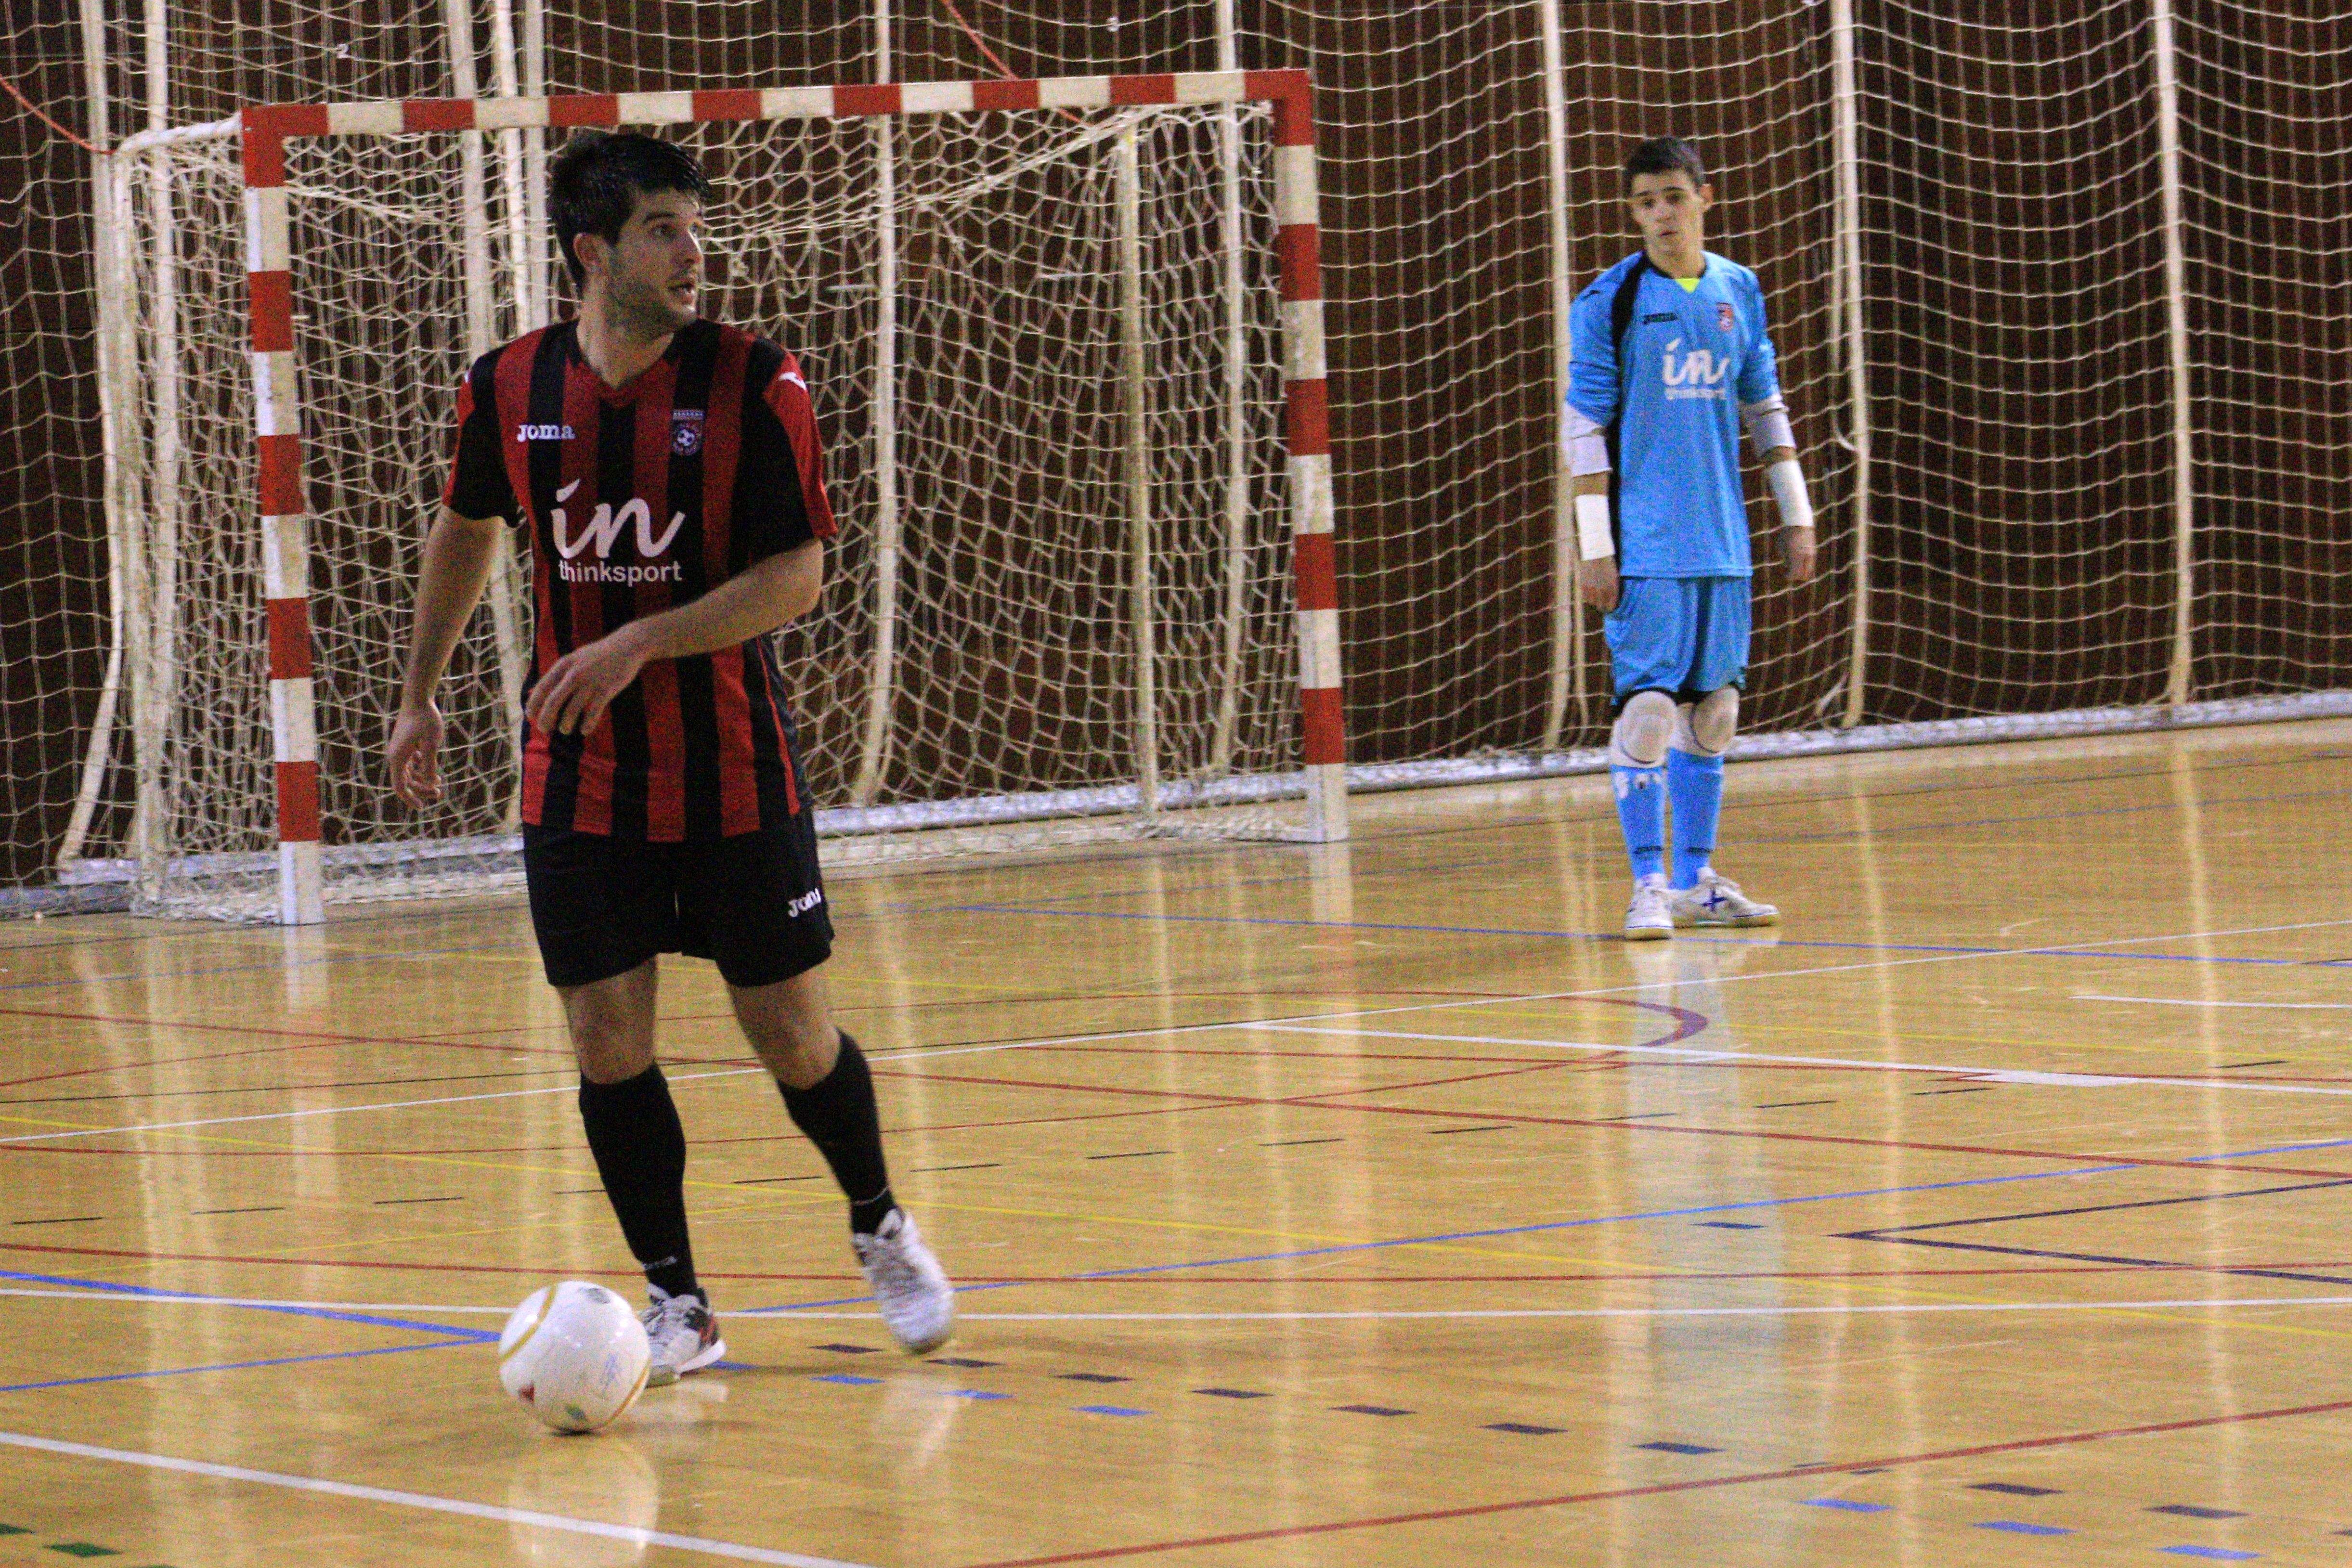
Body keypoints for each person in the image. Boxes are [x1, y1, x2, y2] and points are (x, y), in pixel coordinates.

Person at [389, 130, 953, 1379]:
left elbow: (797, 577)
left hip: (732, 770)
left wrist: (643, 638)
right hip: (579, 775)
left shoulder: (757, 383)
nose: (693, 251)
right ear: (593, 251)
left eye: (695, 227)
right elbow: (464, 528)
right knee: (606, 1041)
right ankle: (678, 1300)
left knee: (792, 1034)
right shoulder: (508, 388)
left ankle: (877, 1219)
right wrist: (418, 695)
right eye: (662, 229)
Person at [1562, 136, 1818, 941]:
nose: (1661, 214)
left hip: (1722, 539)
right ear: (1632, 212)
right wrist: (1595, 544)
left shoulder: (1739, 288)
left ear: (1704, 197)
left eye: (1673, 196)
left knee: (1714, 713)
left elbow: (1764, 407)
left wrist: (1797, 513)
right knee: (1644, 711)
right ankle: (1645, 884)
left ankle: (1695, 879)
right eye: (1645, 202)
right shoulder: (1611, 298)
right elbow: (1583, 427)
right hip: (1646, 539)